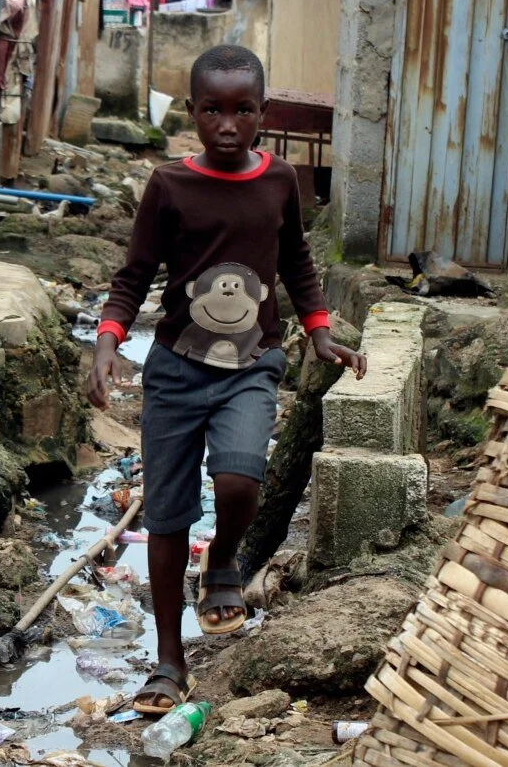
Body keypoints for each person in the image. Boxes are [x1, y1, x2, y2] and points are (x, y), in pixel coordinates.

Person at [85, 45, 366, 715]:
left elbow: (296, 259)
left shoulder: (279, 181)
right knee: (166, 517)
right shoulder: (168, 185)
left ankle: (222, 563)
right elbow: (134, 274)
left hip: (252, 364)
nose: (228, 125)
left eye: (243, 110)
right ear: (192, 112)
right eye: (212, 110)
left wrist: (320, 331)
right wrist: (106, 343)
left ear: (263, 113)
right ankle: (168, 661)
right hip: (175, 371)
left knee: (240, 480)